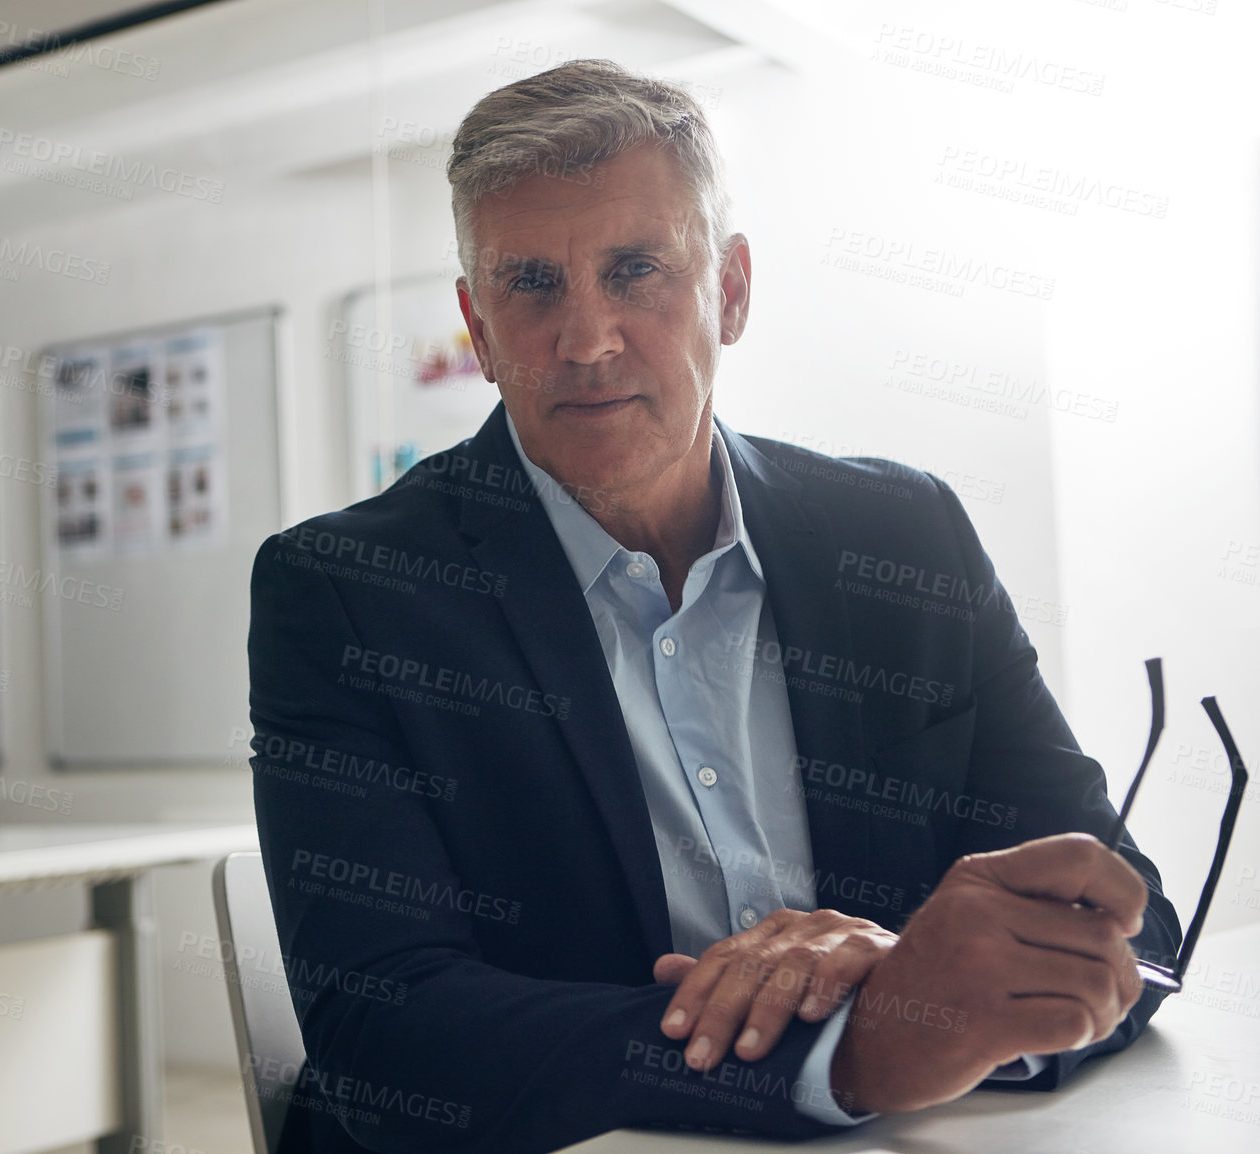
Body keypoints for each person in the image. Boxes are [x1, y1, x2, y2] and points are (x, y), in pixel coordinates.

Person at [246, 59, 1179, 1154]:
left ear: (730, 291)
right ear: (479, 328)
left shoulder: (905, 538)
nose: (586, 339)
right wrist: (853, 1049)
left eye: (637, 269)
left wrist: (947, 1011)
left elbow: (1122, 923)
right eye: (532, 283)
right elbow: (385, 1030)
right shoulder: (350, 593)